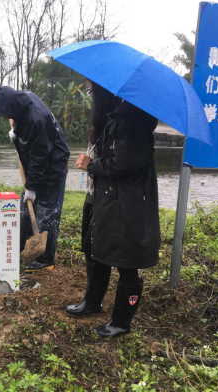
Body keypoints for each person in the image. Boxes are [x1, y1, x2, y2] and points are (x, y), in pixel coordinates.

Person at [65, 80, 160, 338]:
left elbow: (124, 164)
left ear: (103, 91)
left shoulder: (130, 120)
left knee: (126, 261)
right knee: (96, 249)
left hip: (126, 203)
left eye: (91, 90)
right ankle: (92, 302)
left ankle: (121, 322)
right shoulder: (114, 117)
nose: (90, 95)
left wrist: (91, 165)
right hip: (108, 197)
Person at [0, 86, 70, 272]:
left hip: (53, 166)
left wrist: (31, 187)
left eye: (5, 113)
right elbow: (30, 143)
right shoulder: (22, 103)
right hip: (36, 164)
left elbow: (40, 158)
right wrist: (17, 133)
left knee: (47, 213)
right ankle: (22, 247)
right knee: (25, 209)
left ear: (12, 107)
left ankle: (45, 259)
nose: (5, 117)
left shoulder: (38, 119)